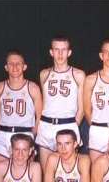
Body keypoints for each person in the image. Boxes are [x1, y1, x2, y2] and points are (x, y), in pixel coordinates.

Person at [35, 35, 86, 172]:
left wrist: (73, 126)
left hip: (67, 123)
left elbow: (81, 108)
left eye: (64, 50)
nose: (60, 54)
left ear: (69, 52)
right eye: (56, 49)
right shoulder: (44, 74)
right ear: (51, 52)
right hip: (46, 125)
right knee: (47, 172)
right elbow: (44, 102)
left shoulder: (78, 74)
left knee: (67, 172)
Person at [0, 50, 42, 162]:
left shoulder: (33, 88)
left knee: (25, 171)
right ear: (6, 67)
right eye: (11, 63)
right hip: (2, 135)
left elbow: (39, 116)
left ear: (24, 67)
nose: (14, 66)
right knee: (0, 170)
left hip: (24, 134)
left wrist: (30, 134)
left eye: (18, 63)